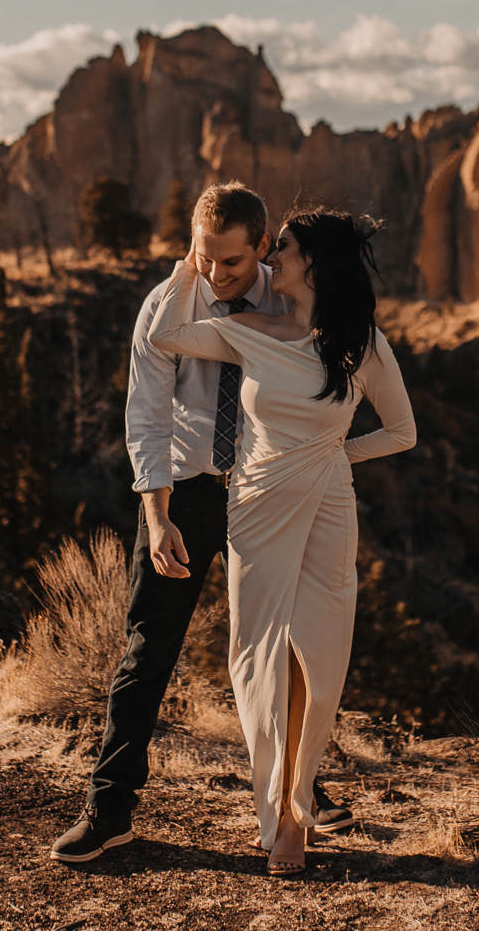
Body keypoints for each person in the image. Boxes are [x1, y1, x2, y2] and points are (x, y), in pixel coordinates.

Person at [50, 183, 358, 865]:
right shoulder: (167, 305)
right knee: (147, 649)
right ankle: (109, 811)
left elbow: (342, 366)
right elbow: (147, 415)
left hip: (266, 490)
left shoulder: (294, 297)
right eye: (204, 258)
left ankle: (302, 792)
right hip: (185, 493)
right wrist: (157, 517)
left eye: (234, 264)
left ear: (263, 252)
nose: (218, 276)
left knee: (282, 645)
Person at [148, 207, 416, 875]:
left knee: (318, 656)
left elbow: (402, 431)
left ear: (312, 264)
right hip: (259, 503)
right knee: (254, 656)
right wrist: (193, 259)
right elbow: (165, 333)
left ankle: (296, 813)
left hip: (327, 501)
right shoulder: (249, 330)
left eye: (285, 249)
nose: (272, 261)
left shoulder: (361, 344)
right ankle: (274, 803)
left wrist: (332, 455)